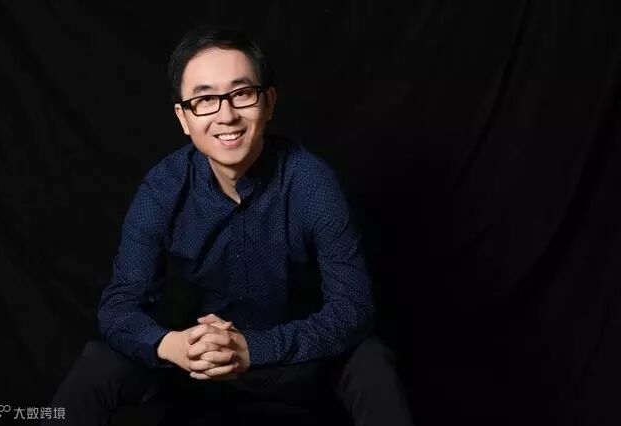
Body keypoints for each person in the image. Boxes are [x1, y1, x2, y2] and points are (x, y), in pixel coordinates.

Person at [46, 26, 414, 426]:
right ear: (183, 118)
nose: (226, 115)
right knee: (99, 363)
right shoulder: (163, 188)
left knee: (371, 360)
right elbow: (118, 307)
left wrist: (253, 348)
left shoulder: (312, 183)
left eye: (242, 94)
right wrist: (173, 345)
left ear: (268, 102)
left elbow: (354, 307)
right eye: (205, 99)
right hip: (194, 369)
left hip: (294, 364)